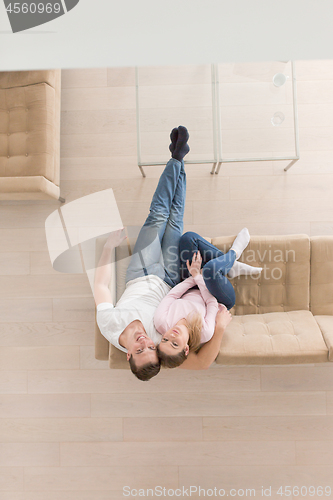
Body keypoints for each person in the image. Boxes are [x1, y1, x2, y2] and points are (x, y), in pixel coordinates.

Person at [94, 126, 233, 381]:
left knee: (157, 215)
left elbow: (101, 285)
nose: (146, 342)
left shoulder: (109, 327)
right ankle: (179, 158)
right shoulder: (162, 344)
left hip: (139, 272)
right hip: (169, 278)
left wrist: (107, 248)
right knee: (175, 222)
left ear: (128, 355)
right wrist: (220, 328)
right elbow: (201, 363)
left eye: (140, 349)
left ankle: (177, 158)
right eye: (150, 348)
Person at [154, 229, 262, 368]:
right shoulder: (204, 333)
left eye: (165, 339)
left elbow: (172, 295)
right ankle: (235, 252)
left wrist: (193, 276)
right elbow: (211, 303)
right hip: (218, 297)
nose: (171, 336)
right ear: (186, 349)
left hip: (190, 283)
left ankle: (231, 266)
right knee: (210, 270)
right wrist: (198, 276)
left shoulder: (161, 322)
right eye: (175, 344)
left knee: (188, 238)